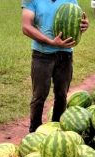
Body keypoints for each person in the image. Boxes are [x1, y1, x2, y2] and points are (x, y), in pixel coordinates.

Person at [21, 0, 89, 132]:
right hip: (42, 55)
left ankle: (57, 129)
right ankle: (34, 131)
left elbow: (76, 20)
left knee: (61, 95)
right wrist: (51, 42)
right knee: (39, 96)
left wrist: (84, 25)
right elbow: (26, 27)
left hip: (65, 56)